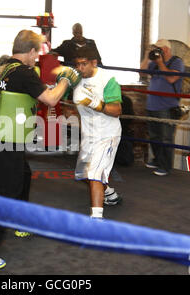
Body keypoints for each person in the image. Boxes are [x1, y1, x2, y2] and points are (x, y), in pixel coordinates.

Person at [0, 30, 80, 270]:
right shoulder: (24, 72)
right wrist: (66, 80)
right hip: (6, 138)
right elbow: (50, 100)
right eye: (36, 53)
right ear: (30, 51)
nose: (37, 58)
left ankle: (20, 220)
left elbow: (21, 90)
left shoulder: (1, 69)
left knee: (23, 175)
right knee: (8, 191)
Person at [72, 46, 123, 219]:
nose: (80, 68)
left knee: (95, 174)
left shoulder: (107, 80)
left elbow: (116, 110)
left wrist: (97, 104)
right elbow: (61, 99)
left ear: (94, 62)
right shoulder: (76, 79)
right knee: (84, 173)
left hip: (108, 134)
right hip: (89, 135)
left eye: (84, 64)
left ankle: (96, 220)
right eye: (77, 64)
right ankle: (109, 193)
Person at [140, 39, 185, 176]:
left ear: (166, 49)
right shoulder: (154, 63)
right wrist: (147, 55)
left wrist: (161, 64)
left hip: (167, 106)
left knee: (166, 137)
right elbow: (141, 72)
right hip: (152, 105)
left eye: (158, 49)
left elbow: (172, 79)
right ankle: (157, 160)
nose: (157, 52)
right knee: (154, 136)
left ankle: (165, 166)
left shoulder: (177, 62)